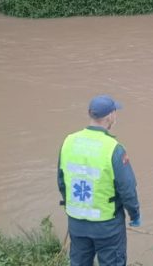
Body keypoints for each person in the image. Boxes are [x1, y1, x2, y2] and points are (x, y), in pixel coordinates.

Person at [58, 95, 140, 266]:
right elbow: (127, 188)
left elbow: (61, 181)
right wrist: (134, 214)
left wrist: (70, 205)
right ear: (110, 116)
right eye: (115, 112)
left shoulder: (68, 141)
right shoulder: (114, 148)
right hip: (107, 226)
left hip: (77, 223)